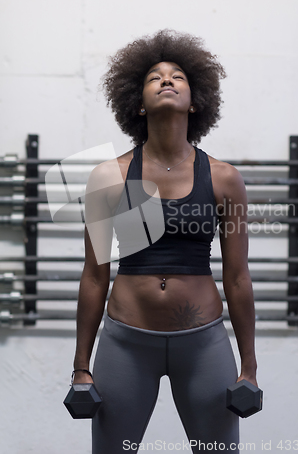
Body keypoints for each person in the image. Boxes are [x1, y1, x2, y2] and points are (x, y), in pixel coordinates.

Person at [72, 29, 258, 454]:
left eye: (177, 76)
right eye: (155, 77)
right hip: (126, 342)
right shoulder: (110, 176)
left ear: (195, 101)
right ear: (138, 102)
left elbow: (238, 277)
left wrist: (249, 364)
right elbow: (94, 276)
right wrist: (81, 366)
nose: (167, 80)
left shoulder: (225, 178)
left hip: (203, 341)